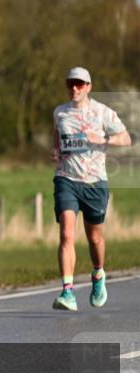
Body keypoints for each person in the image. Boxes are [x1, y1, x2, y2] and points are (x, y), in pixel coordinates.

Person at [51, 67, 131, 311]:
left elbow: (126, 138)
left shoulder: (102, 112)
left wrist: (104, 140)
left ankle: (98, 274)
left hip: (95, 182)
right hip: (66, 179)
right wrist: (56, 150)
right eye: (71, 84)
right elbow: (57, 134)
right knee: (66, 234)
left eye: (80, 84)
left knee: (94, 236)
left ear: (89, 86)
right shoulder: (60, 113)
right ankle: (68, 292)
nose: (75, 88)